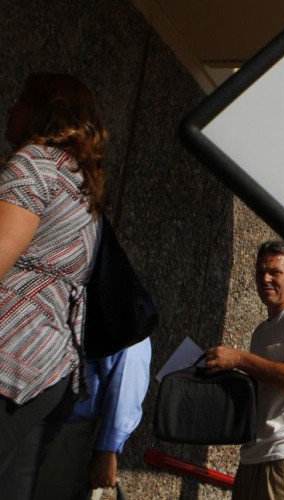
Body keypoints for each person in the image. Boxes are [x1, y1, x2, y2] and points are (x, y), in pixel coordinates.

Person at [0, 73, 106, 498]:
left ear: (46, 111)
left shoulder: (34, 165)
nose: (11, 107)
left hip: (12, 353)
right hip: (54, 366)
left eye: (21, 100)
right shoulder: (82, 185)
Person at [205, 240, 284, 500]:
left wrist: (239, 358)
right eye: (260, 272)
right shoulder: (261, 331)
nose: (266, 278)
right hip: (253, 455)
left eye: (275, 272)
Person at [33, 337, 152, 499]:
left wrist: (107, 450)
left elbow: (127, 383)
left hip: (68, 432)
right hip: (29, 418)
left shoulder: (124, 318)